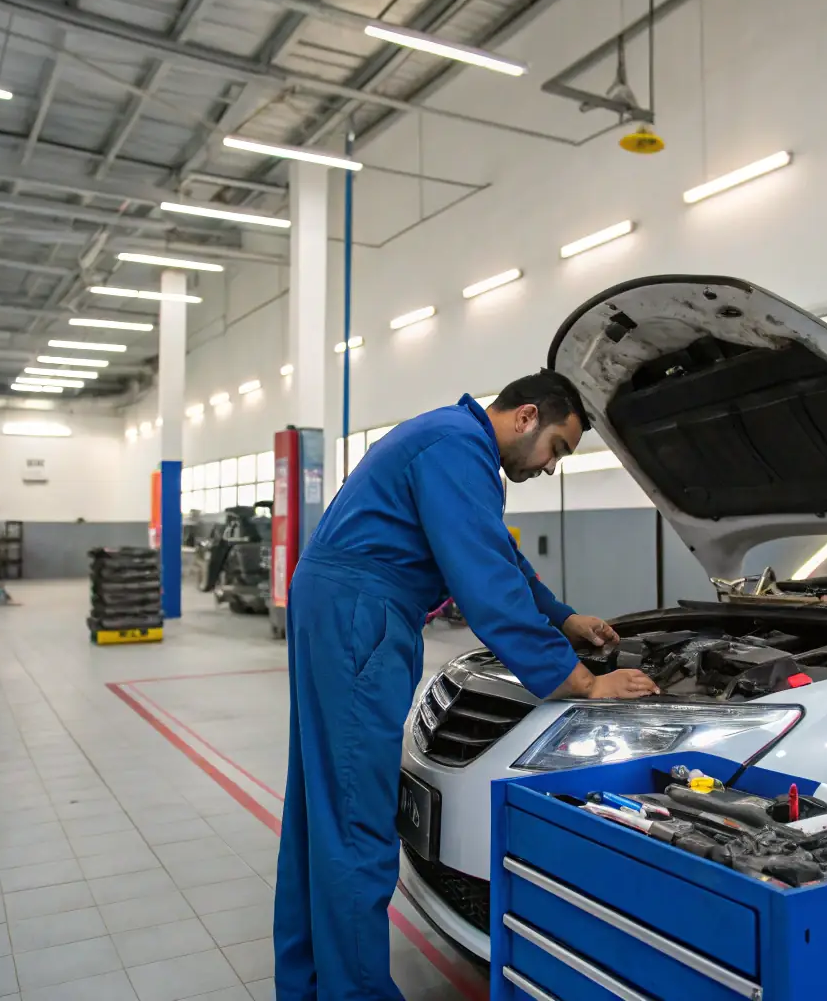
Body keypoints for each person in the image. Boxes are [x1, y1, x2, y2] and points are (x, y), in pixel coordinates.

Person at [274, 371, 659, 1001]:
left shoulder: (451, 439)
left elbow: (497, 557)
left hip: (341, 606)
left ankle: (307, 983)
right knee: (356, 819)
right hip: (361, 614)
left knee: (322, 809)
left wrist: (562, 617)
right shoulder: (456, 448)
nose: (550, 467)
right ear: (527, 416)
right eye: (558, 449)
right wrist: (583, 683)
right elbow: (484, 583)